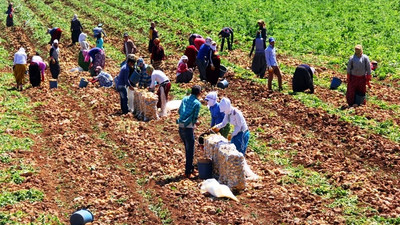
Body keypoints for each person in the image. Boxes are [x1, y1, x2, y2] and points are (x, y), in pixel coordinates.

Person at [176, 85, 202, 178]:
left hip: (181, 126)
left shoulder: (185, 99)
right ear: (199, 93)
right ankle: (188, 172)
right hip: (188, 128)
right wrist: (197, 122)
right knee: (190, 150)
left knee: (187, 148)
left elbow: (179, 111)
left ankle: (190, 168)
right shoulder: (197, 104)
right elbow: (194, 118)